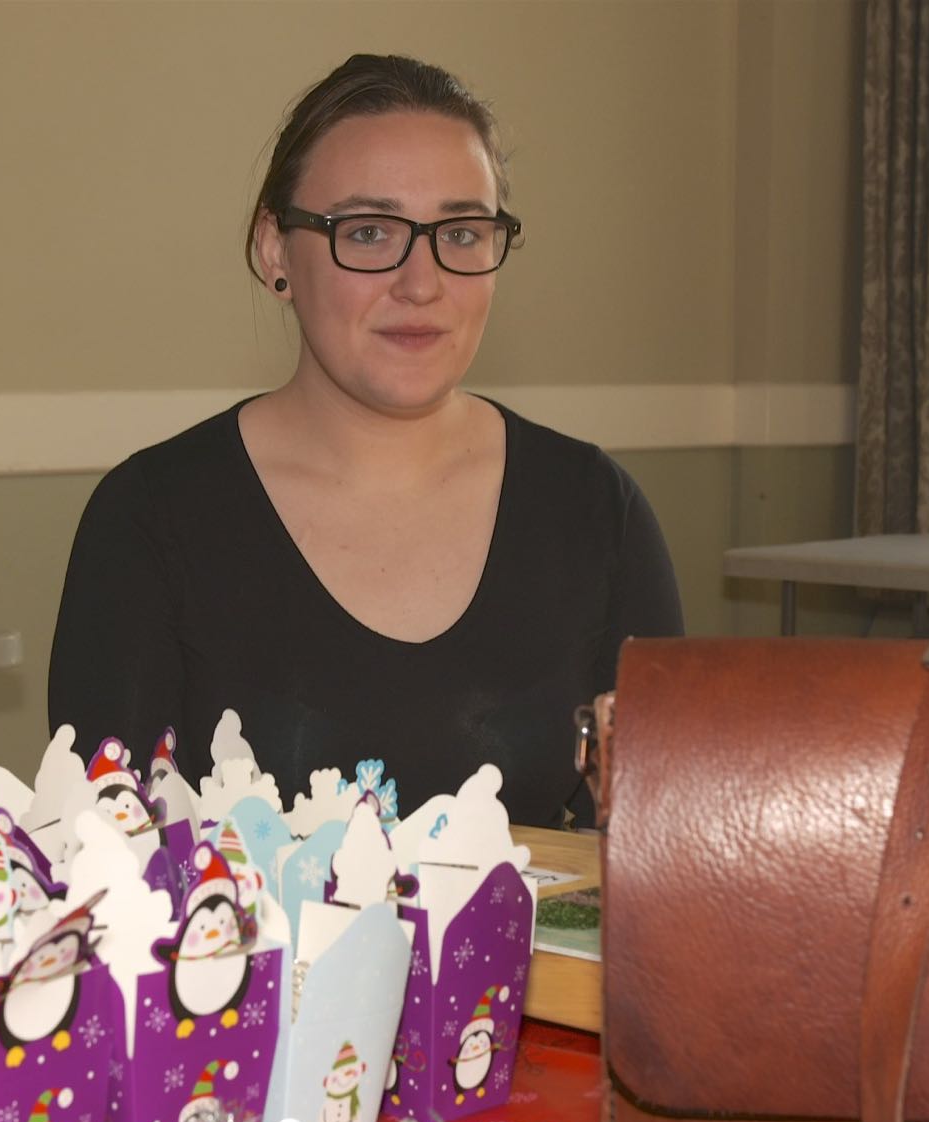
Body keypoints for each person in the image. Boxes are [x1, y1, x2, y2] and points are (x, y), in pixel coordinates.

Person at [49, 54, 681, 829]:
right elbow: (107, 854)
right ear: (275, 250)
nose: (421, 283)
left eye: (461, 232)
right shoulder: (151, 519)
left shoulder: (593, 511)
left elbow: (662, 846)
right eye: (370, 232)